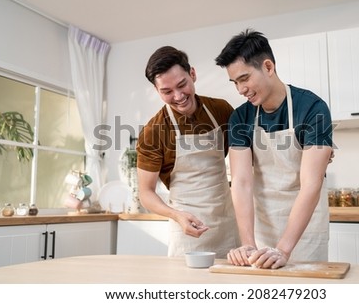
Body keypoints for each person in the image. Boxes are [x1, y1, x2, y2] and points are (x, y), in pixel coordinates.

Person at [215, 29, 334, 269]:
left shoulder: (312, 108)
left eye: (245, 78)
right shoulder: (241, 117)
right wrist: (248, 243)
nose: (240, 89)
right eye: (235, 82)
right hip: (262, 227)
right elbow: (241, 182)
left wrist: (283, 249)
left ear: (268, 67)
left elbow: (311, 183)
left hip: (305, 230)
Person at [136, 46, 239, 258]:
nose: (178, 96)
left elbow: (246, 154)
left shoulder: (222, 111)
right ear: (157, 91)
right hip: (186, 228)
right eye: (167, 91)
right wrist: (176, 215)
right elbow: (146, 193)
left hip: (227, 222)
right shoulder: (153, 131)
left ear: (192, 74)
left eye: (182, 84)